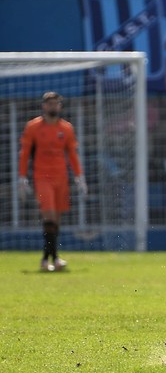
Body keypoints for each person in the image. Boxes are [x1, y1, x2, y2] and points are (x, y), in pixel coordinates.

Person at [17, 91, 88, 272]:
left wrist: (79, 177)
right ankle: (54, 259)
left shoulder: (66, 129)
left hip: (61, 178)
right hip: (42, 177)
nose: (53, 107)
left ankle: (46, 260)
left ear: (60, 106)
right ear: (44, 106)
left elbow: (72, 154)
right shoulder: (33, 127)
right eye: (50, 104)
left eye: (56, 104)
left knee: (56, 219)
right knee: (48, 215)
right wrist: (22, 177)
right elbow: (25, 154)